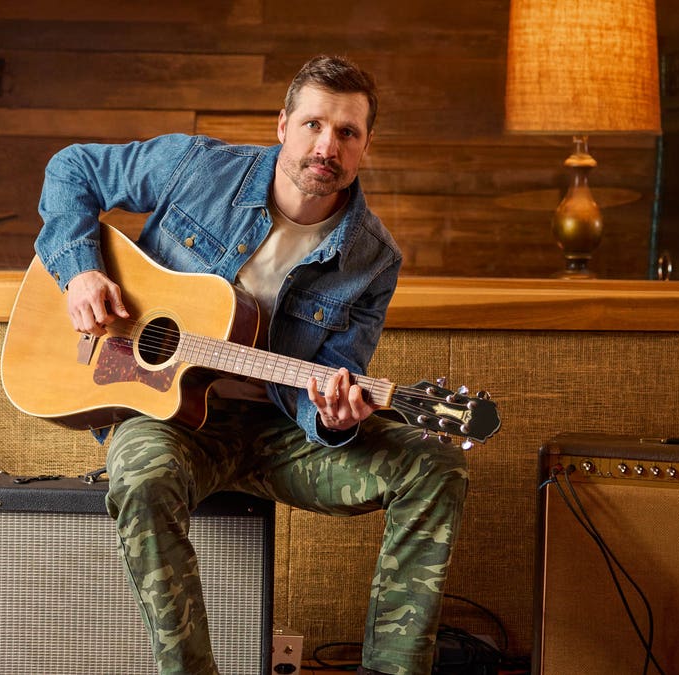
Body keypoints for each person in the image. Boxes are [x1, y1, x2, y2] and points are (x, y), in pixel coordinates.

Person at [35, 54, 468, 675]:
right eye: (315, 124)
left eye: (347, 132)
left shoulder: (373, 258)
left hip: (278, 436)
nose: (328, 145)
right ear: (283, 125)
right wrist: (79, 268)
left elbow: (335, 377)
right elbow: (70, 168)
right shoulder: (199, 169)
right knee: (140, 473)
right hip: (172, 421)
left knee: (436, 465)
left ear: (366, 145)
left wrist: (337, 420)